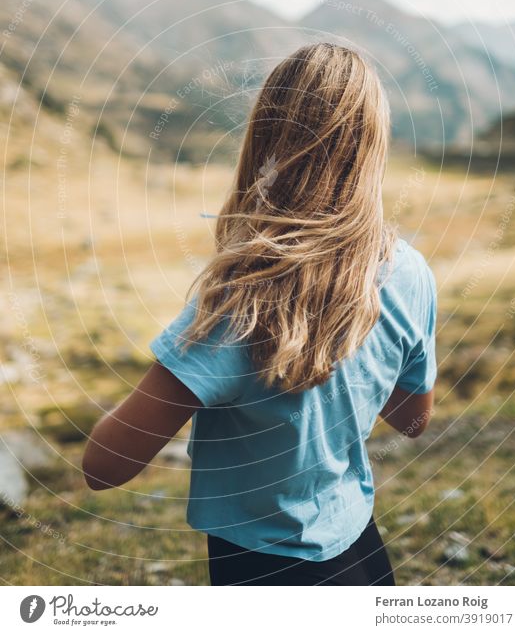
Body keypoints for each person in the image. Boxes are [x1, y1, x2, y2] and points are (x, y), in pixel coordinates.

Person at [83, 42, 437, 586]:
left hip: (260, 573)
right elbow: (412, 422)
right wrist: (355, 354)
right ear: (372, 149)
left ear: (266, 141)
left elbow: (104, 467)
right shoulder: (411, 273)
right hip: (362, 557)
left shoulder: (239, 304)